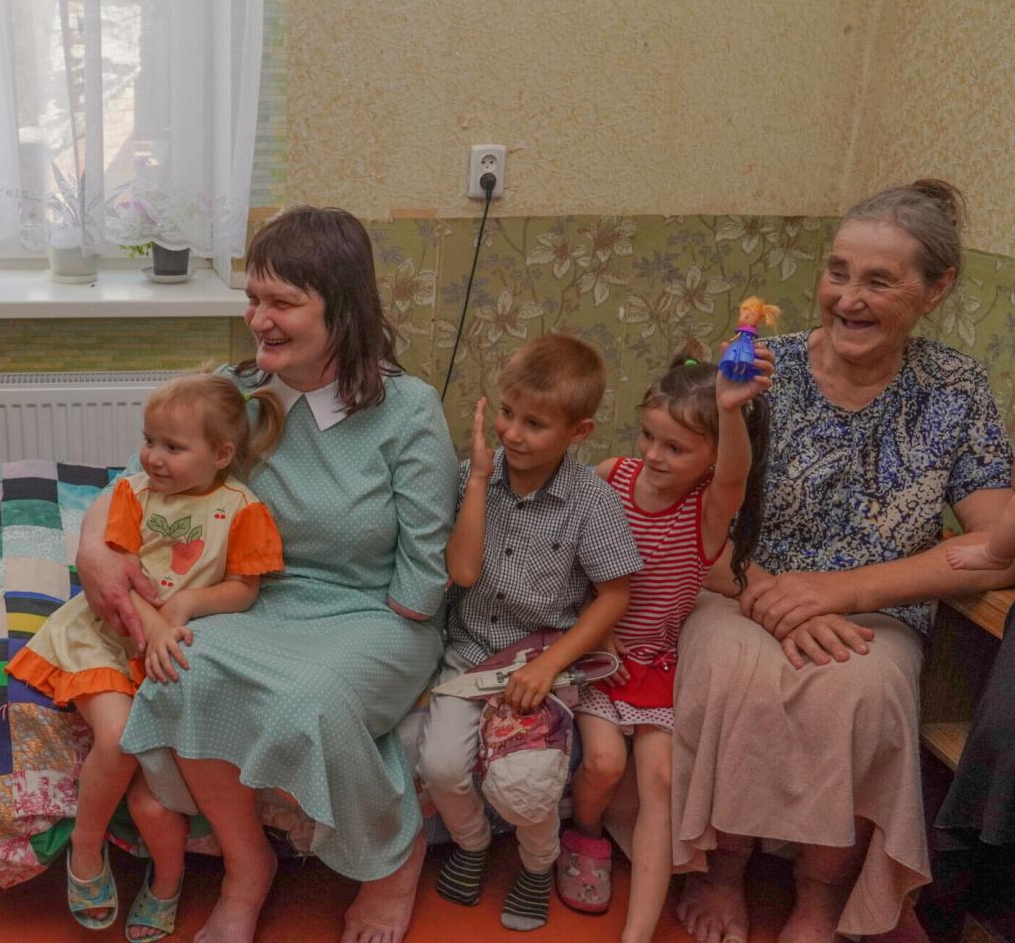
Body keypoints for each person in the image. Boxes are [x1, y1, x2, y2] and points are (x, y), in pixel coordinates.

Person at [77, 206, 458, 943]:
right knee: (182, 672)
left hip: (374, 614)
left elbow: (424, 570)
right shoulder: (238, 394)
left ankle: (392, 858)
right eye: (255, 299)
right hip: (253, 602)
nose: (260, 320)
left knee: (310, 699)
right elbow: (131, 487)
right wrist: (95, 551)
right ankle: (248, 872)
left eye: (283, 303)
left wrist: (372, 654)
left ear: (343, 310)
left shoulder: (408, 411)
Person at [670, 179, 1015, 943]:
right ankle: (722, 872)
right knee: (731, 672)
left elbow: (996, 550)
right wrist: (771, 598)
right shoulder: (760, 371)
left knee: (861, 692)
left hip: (874, 611)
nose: (848, 298)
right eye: (838, 272)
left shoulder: (954, 390)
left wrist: (840, 592)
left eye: (879, 280)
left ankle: (820, 897)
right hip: (739, 587)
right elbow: (695, 513)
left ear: (936, 290)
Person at [5, 371, 286, 941]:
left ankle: (167, 881)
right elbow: (116, 578)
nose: (152, 457)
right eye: (149, 439)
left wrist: (183, 606)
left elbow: (244, 588)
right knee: (117, 738)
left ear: (222, 453)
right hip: (108, 632)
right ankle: (84, 852)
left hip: (166, 641)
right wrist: (155, 626)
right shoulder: (133, 494)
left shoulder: (242, 508)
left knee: (155, 796)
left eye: (173, 447)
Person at [419, 334, 643, 932]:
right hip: (469, 656)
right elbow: (461, 572)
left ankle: (539, 864)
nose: (513, 434)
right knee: (440, 765)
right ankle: (470, 846)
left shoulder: (591, 501)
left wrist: (549, 667)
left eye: (535, 423)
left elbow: (615, 594)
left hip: (544, 658)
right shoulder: (476, 476)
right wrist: (475, 483)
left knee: (527, 785)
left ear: (580, 432)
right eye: (508, 415)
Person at [563, 353, 771, 943]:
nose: (654, 456)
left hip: (655, 663)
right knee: (604, 762)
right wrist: (596, 631)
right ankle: (584, 834)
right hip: (598, 654)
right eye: (649, 436)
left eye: (676, 448)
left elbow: (736, 474)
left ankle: (637, 933)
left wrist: (730, 412)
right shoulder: (612, 477)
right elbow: (573, 564)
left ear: (710, 458)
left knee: (660, 780)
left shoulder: (706, 512)